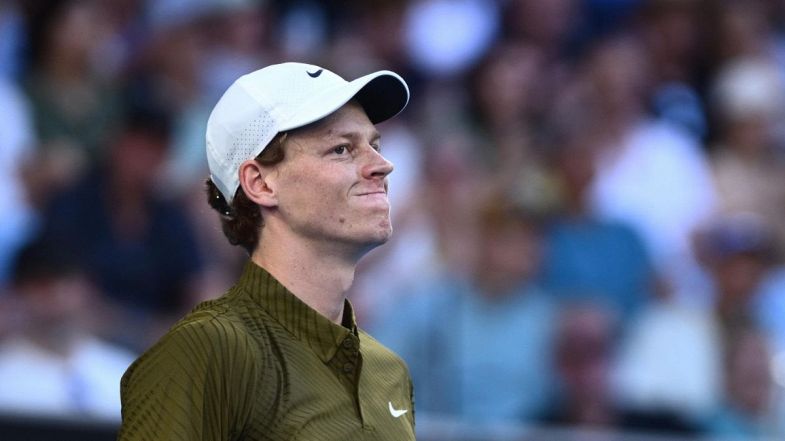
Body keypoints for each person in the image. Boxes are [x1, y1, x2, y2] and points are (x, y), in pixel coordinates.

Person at [118, 62, 414, 440]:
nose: (383, 166)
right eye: (342, 149)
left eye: (375, 145)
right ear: (260, 183)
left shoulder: (390, 372)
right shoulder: (204, 352)